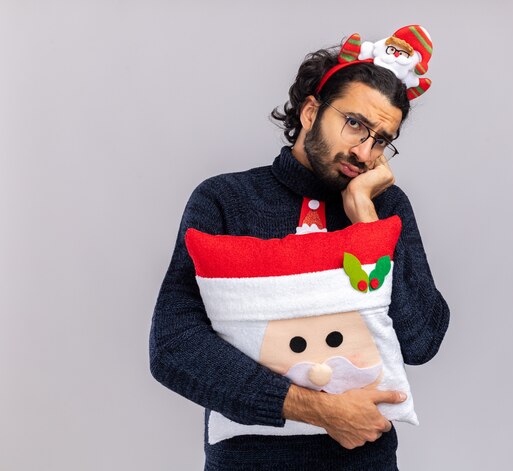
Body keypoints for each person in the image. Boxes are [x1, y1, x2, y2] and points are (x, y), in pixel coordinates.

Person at [149, 26, 450, 470]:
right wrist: (318, 410)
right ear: (311, 111)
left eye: (381, 139)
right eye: (354, 124)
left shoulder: (385, 207)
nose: (365, 152)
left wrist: (367, 224)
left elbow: (423, 340)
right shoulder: (225, 201)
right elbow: (173, 346)